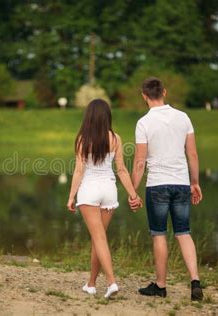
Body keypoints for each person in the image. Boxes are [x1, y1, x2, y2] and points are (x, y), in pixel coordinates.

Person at [128, 77, 204, 301]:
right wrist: (195, 182)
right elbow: (192, 154)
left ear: (144, 96)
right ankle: (195, 282)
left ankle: (160, 286)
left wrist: (133, 191)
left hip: (157, 186)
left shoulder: (144, 123)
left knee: (159, 234)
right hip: (181, 184)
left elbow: (140, 161)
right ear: (165, 92)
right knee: (184, 232)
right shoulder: (183, 117)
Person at [67, 99, 142, 298]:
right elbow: (122, 170)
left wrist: (71, 196)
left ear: (89, 116)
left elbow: (79, 171)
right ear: (107, 116)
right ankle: (91, 284)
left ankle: (111, 283)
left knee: (99, 238)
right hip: (109, 191)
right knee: (98, 239)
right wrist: (133, 195)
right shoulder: (115, 138)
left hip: (89, 192)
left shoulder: (83, 139)